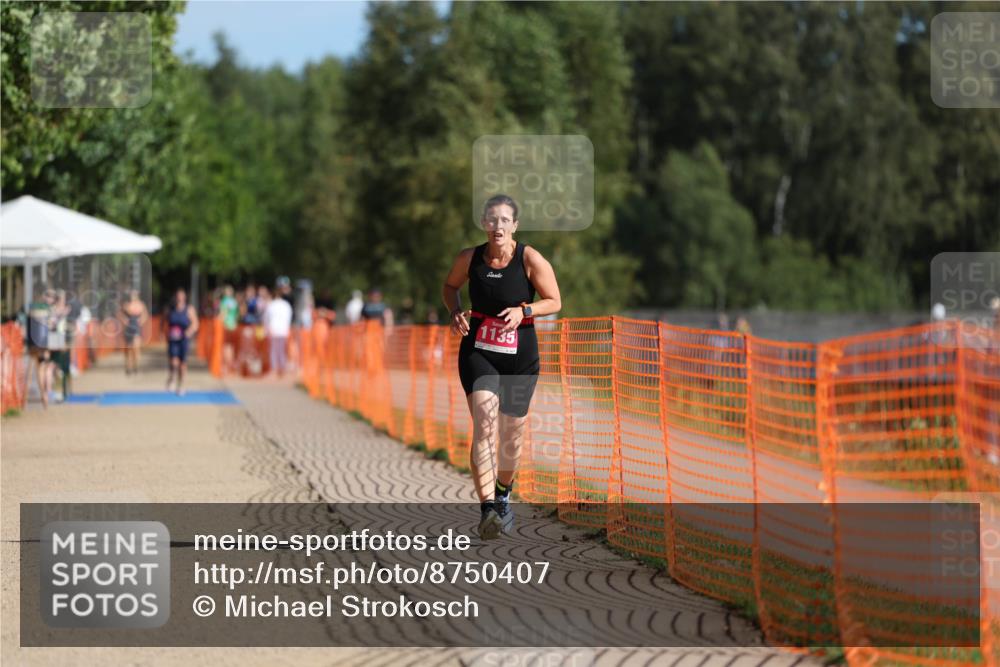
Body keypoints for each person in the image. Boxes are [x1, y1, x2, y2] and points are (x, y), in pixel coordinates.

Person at [442, 194, 561, 540]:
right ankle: (488, 510)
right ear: (484, 223)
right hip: (479, 351)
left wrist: (525, 310)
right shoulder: (470, 258)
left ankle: (504, 491)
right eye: (492, 220)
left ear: (515, 226)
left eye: (505, 220)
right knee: (484, 424)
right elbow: (450, 287)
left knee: (511, 437)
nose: (498, 226)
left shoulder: (529, 258)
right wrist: (455, 311)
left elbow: (555, 300)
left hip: (520, 356)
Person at [165, 288, 199, 396]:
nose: (179, 298)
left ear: (184, 297)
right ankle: (172, 378)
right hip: (173, 339)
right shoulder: (171, 309)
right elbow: (164, 321)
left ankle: (181, 385)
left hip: (183, 339)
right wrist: (165, 333)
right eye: (178, 296)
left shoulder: (189, 309)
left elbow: (195, 323)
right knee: (173, 362)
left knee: (182, 365)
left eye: (181, 296)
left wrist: (189, 332)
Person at [27, 288, 55, 408]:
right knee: (45, 367)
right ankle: (46, 392)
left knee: (40, 367)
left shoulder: (30, 306)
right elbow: (51, 325)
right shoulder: (47, 309)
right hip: (44, 342)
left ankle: (43, 393)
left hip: (34, 343)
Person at [264, 283, 293, 377]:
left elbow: (266, 318)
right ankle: (282, 369)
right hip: (283, 330)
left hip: (274, 330)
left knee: (274, 350)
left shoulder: (271, 305)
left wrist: (267, 329)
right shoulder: (286, 305)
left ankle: (275, 369)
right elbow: (289, 317)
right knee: (281, 350)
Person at [120, 290, 149, 375]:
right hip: (128, 328)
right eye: (132, 294)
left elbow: (145, 315)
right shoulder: (126, 305)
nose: (133, 296)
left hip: (136, 328)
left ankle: (136, 366)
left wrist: (141, 322)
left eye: (134, 294)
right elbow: (120, 314)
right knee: (128, 349)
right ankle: (128, 367)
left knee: (136, 348)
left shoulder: (141, 304)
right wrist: (124, 320)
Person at [218, 285, 239, 372]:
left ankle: (226, 366)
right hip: (234, 325)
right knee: (231, 346)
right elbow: (237, 314)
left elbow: (223, 313)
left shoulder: (224, 301)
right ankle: (231, 365)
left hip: (226, 325)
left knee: (225, 346)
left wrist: (219, 321)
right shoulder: (234, 302)